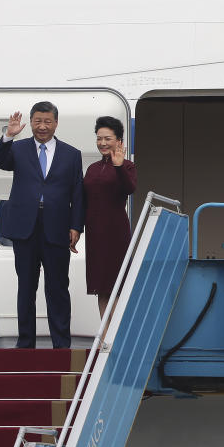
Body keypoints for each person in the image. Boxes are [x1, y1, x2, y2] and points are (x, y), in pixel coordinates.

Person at [0, 101, 84, 348]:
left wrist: (76, 226)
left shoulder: (72, 154)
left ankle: (62, 345)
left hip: (57, 227)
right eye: (37, 121)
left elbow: (78, 193)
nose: (42, 126)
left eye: (47, 121)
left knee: (58, 288)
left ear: (56, 123)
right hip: (25, 227)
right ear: (31, 122)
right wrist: (8, 136)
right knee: (26, 287)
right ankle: (25, 344)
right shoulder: (18, 149)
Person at [83, 116, 137, 317]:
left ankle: (116, 337)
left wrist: (119, 166)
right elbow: (84, 199)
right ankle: (105, 336)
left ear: (119, 141)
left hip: (116, 232)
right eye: (99, 139)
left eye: (108, 138)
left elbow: (129, 188)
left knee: (117, 284)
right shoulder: (92, 168)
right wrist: (76, 228)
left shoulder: (127, 166)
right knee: (101, 286)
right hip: (95, 233)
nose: (102, 143)